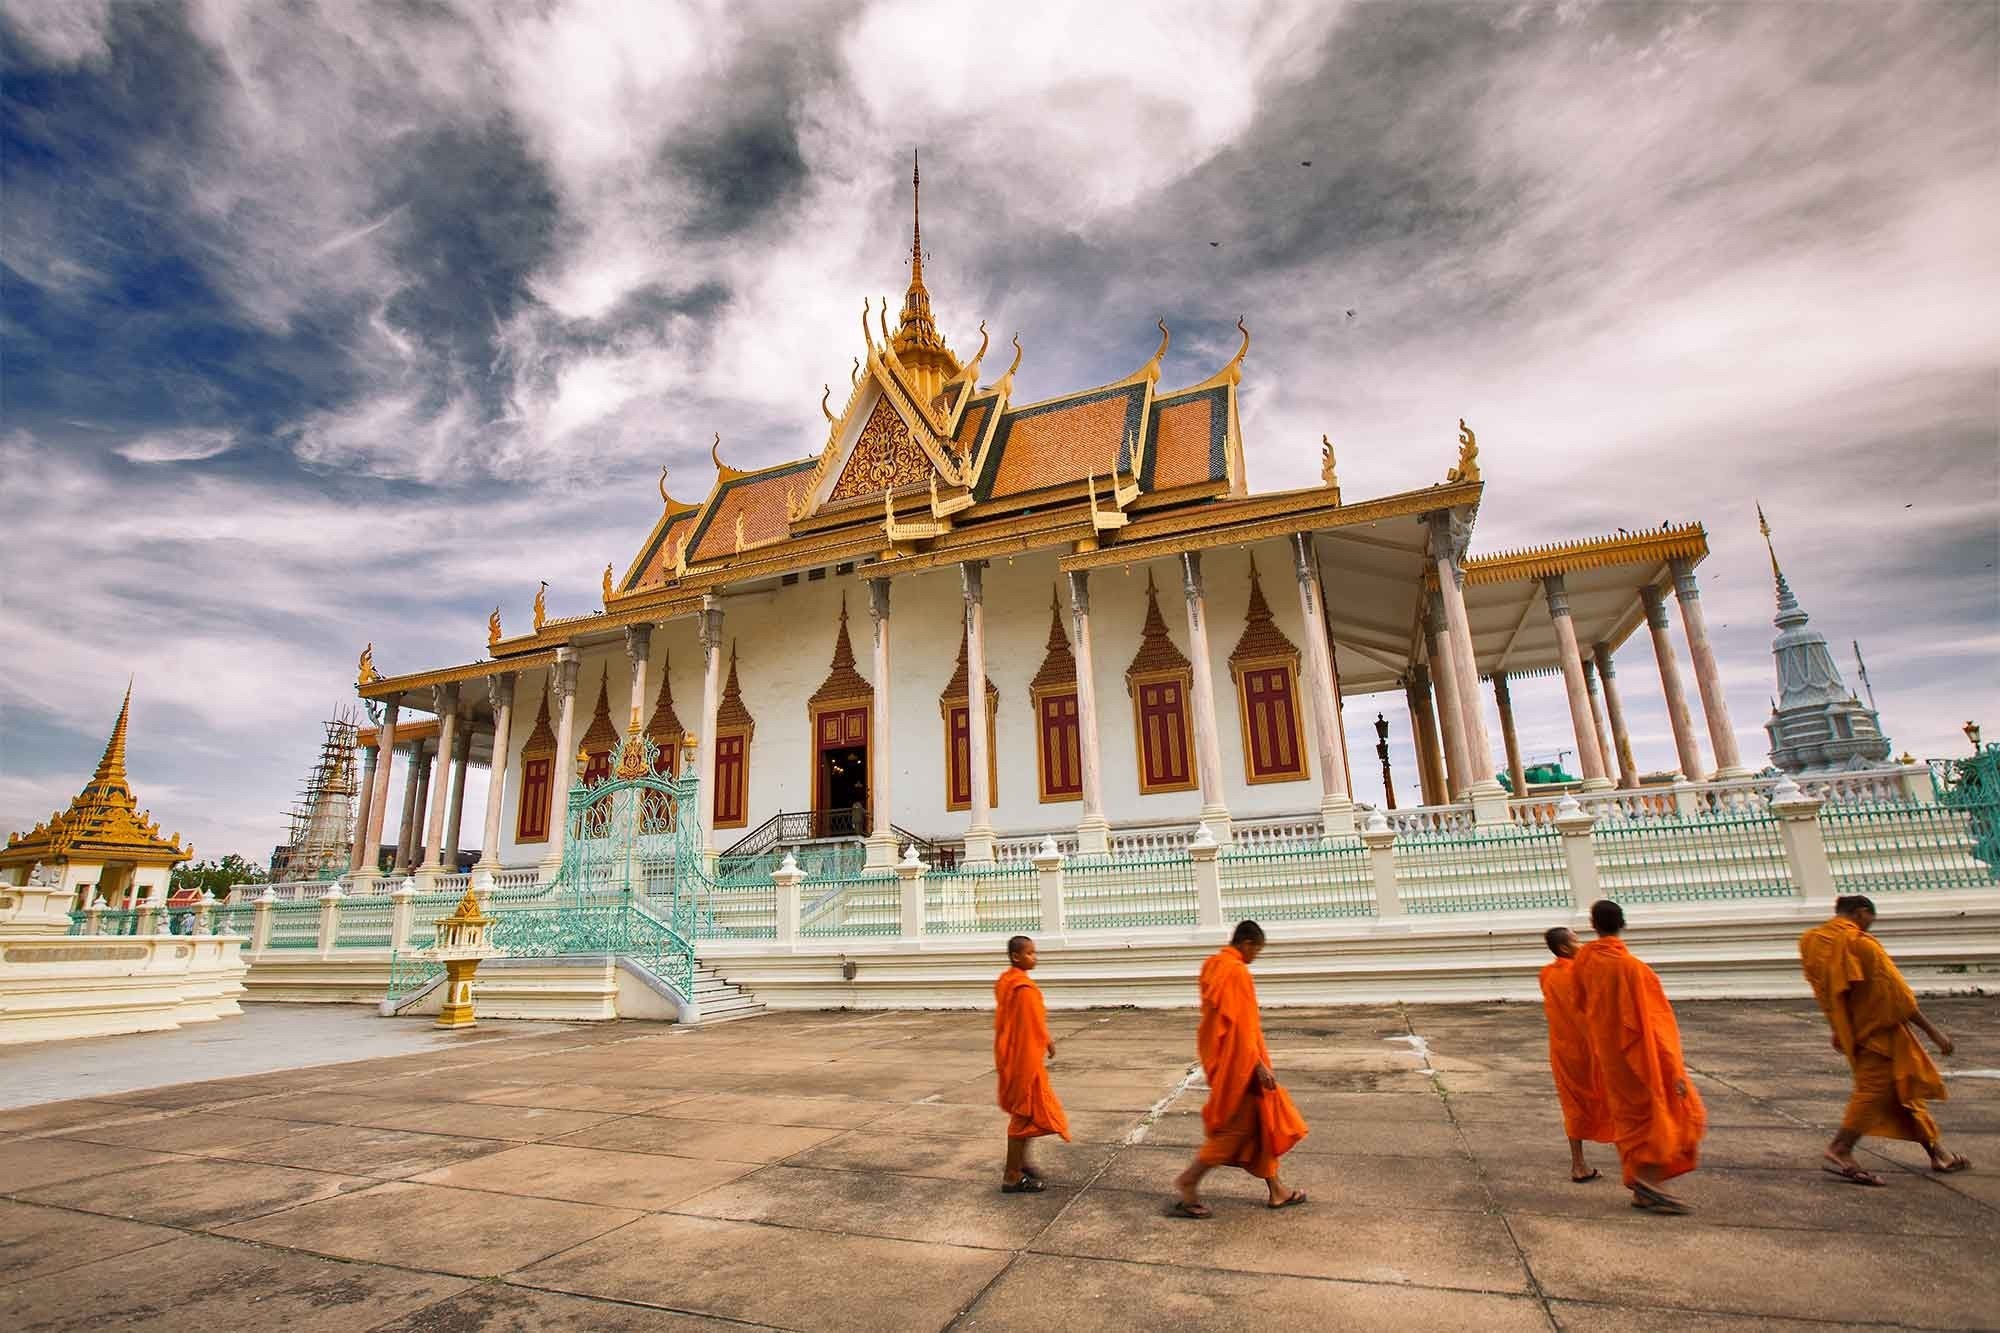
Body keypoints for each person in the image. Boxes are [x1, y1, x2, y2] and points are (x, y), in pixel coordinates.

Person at [1799, 895, 1970, 1183]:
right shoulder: (1862, 944)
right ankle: (1841, 1148)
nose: (1869, 927)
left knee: (1903, 1090)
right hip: (1880, 1032)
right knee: (1873, 1091)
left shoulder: (1812, 942)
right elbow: (1898, 998)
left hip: (1854, 1030)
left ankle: (1938, 1154)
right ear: (1862, 913)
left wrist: (1838, 1027)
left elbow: (1830, 994)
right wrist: (1934, 1033)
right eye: (1870, 920)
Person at [1573, 899, 1707, 1214]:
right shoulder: (1635, 969)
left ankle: (1642, 1189)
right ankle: (1649, 1182)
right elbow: (1656, 1023)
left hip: (1607, 1053)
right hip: (1638, 1055)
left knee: (1628, 1115)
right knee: (1658, 1111)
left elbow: (1580, 1003)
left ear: (1593, 925)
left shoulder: (1584, 962)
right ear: (1623, 924)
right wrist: (1671, 1061)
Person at [1172, 921, 1310, 1217]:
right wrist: (1257, 1064)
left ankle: (1277, 1190)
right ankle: (1188, 1182)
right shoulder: (1236, 972)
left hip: (1226, 1060)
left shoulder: (1213, 965)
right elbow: (1240, 1026)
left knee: (1259, 1126)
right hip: (1241, 1066)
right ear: (1247, 944)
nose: (1256, 956)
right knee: (1233, 1133)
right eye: (1257, 950)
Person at [995, 935, 1068, 1192]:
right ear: (1016, 957)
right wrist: (1030, 1064)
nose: (1034, 958)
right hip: (1023, 1061)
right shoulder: (1022, 989)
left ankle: (1022, 1162)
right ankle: (1011, 1176)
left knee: (1027, 1115)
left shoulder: (1008, 981)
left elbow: (1029, 1023)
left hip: (1014, 1055)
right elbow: (1026, 1030)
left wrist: (1045, 1039)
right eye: (1030, 954)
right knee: (1023, 1115)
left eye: (1035, 953)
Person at [1541, 925, 1612, 1183]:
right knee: (1614, 1101)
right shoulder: (1580, 974)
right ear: (1563, 948)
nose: (1580, 944)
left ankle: (1578, 1164)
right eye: (1576, 940)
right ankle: (1637, 1168)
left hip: (1562, 1051)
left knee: (1572, 1106)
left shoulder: (1546, 974)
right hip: (1590, 1049)